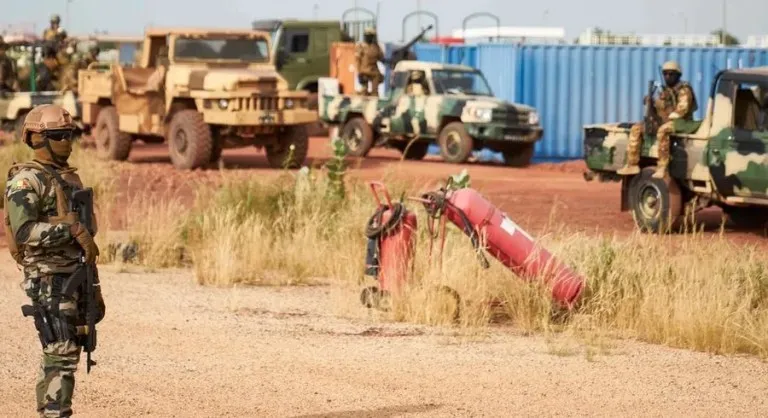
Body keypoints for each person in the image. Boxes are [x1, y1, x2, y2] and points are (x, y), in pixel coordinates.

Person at [3, 104, 105, 418]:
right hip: (48, 277)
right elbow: (24, 232)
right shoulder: (26, 179)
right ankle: (55, 412)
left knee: (67, 349)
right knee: (61, 351)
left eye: (69, 135)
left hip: (75, 274)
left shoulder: (68, 178)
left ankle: (51, 410)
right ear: (36, 138)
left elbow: (87, 232)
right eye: (59, 135)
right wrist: (70, 230)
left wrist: (94, 284)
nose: (67, 141)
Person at [618, 60, 697, 178]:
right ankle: (632, 163)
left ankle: (662, 167)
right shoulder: (665, 90)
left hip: (683, 122)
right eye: (665, 74)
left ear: (678, 75)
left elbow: (682, 109)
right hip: (668, 121)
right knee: (636, 128)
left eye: (671, 74)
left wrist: (667, 117)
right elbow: (662, 108)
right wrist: (651, 102)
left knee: (663, 131)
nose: (668, 76)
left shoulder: (684, 90)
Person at [354, 27, 384, 96]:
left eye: (371, 36)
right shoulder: (361, 46)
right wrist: (359, 72)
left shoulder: (376, 46)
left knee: (375, 93)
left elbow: (381, 57)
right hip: (364, 71)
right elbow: (357, 60)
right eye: (368, 36)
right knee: (364, 91)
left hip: (374, 72)